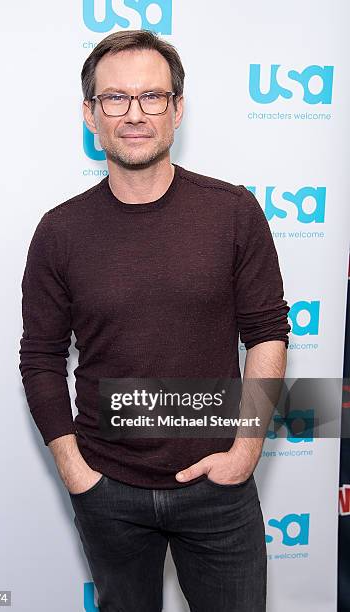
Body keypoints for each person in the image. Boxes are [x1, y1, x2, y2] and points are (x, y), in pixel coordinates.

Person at [19, 29, 291, 612]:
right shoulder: (59, 232)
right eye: (115, 98)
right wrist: (76, 471)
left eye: (153, 97)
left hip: (220, 487)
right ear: (91, 115)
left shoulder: (233, 212)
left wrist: (244, 453)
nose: (134, 113)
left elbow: (267, 334)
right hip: (107, 488)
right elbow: (40, 358)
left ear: (178, 109)